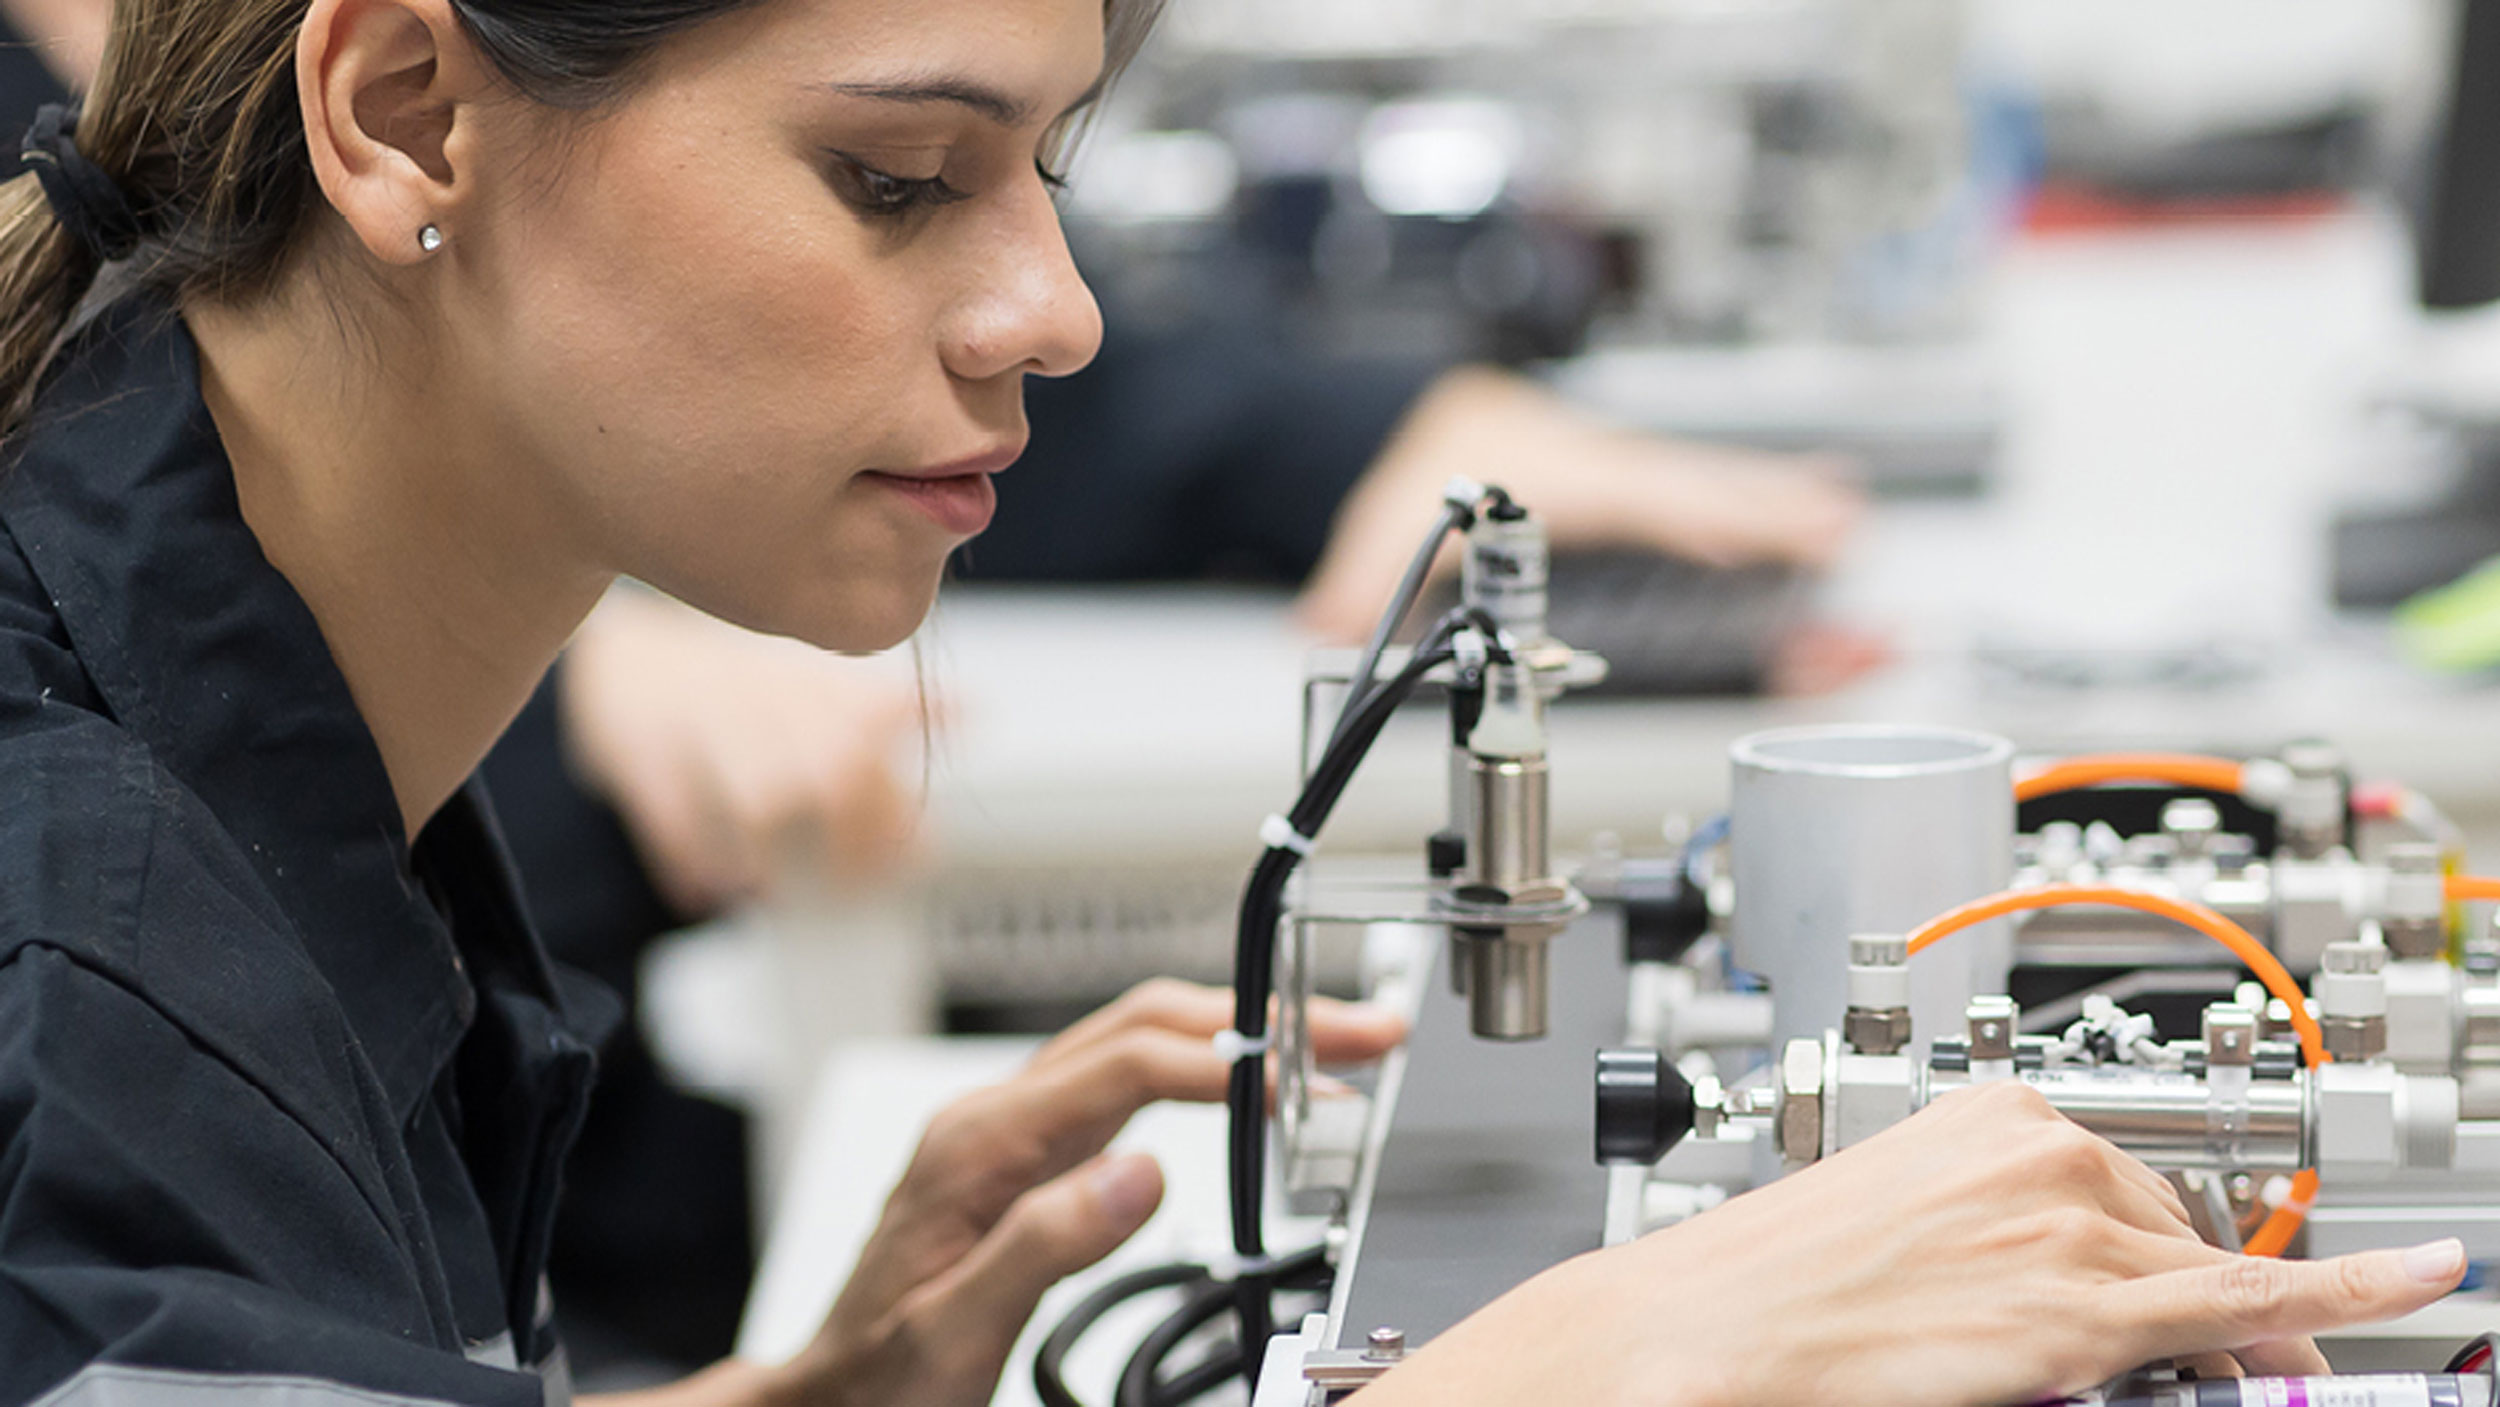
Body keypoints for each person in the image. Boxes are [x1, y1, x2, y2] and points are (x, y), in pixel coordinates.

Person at [0, 5, 2467, 1407]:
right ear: (405, 109)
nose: (1053, 311)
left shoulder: (244, 709)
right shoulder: (74, 946)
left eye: (1047, 173)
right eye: (896, 180)